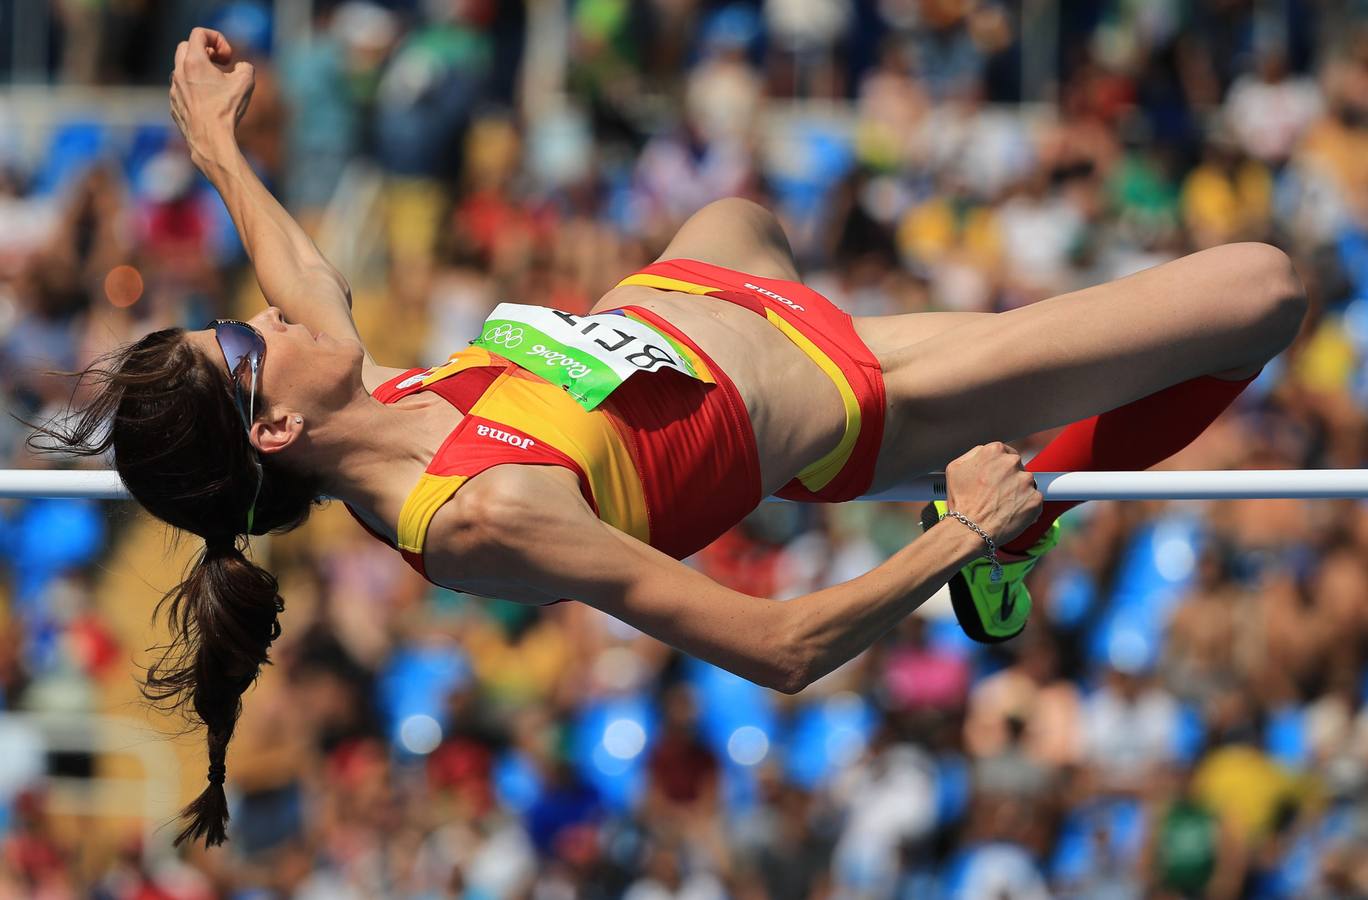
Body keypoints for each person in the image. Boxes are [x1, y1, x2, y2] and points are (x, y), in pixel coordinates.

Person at [31, 29, 1306, 848]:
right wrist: (966, 528)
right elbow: (782, 646)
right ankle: (1013, 547)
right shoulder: (470, 515)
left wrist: (216, 141)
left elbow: (291, 259)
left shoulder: (351, 386)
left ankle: (987, 493)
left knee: (737, 206)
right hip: (851, 386)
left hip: (716, 285)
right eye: (245, 338)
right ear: (276, 420)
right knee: (1260, 293)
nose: (267, 310)